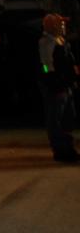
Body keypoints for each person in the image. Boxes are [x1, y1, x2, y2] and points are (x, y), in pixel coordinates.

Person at [39, 13, 78, 162]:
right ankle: (61, 150)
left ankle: (67, 148)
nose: (63, 26)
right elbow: (46, 65)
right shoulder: (47, 42)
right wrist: (52, 81)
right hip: (57, 86)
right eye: (60, 23)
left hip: (64, 85)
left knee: (67, 118)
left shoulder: (60, 40)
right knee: (57, 119)